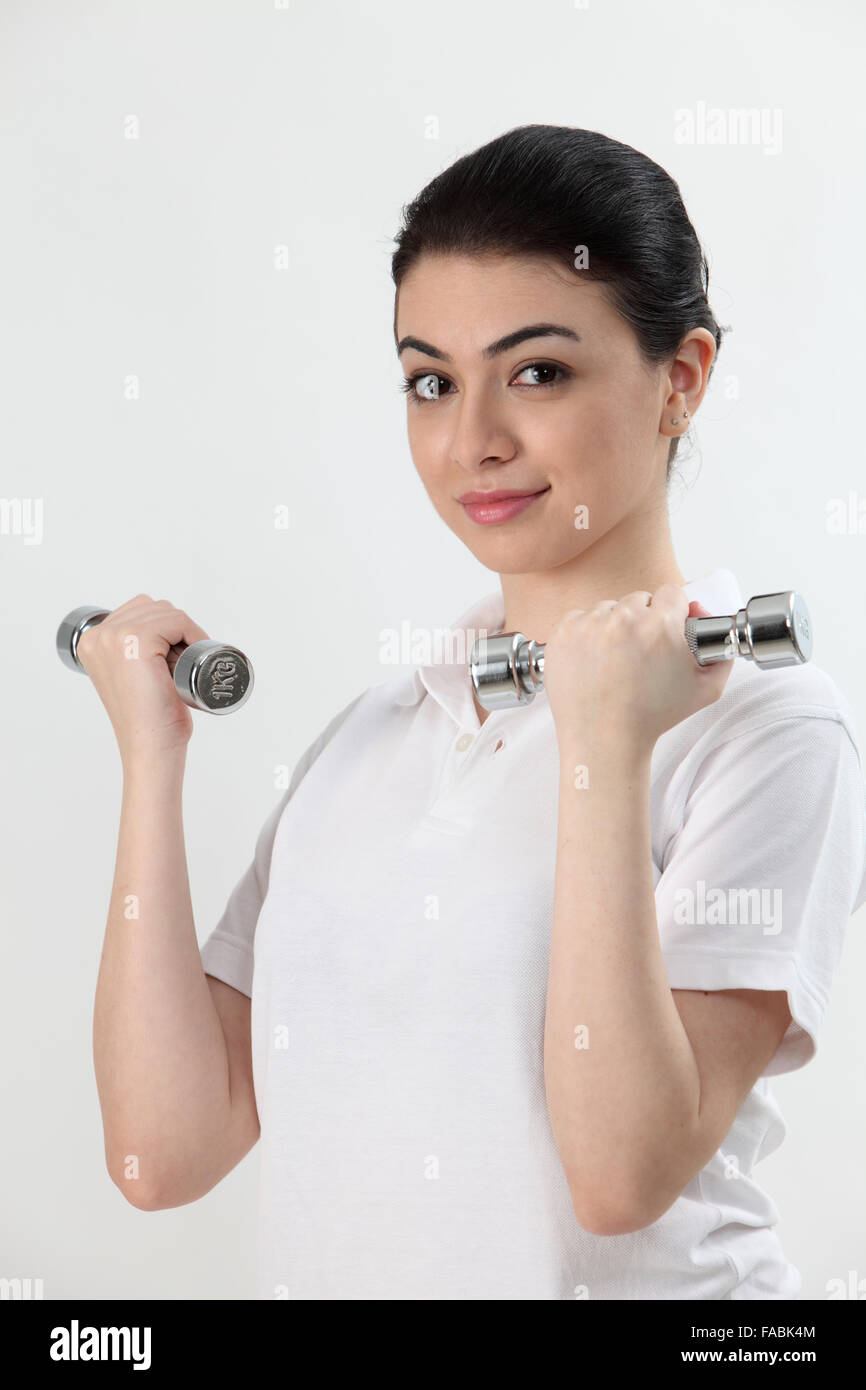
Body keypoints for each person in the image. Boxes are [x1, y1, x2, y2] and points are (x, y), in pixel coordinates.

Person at [88, 124, 866, 1300]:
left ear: (682, 378)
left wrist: (601, 742)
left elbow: (618, 1176)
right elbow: (164, 1153)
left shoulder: (764, 729)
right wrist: (152, 761)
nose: (471, 441)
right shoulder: (373, 730)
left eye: (537, 371)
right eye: (431, 381)